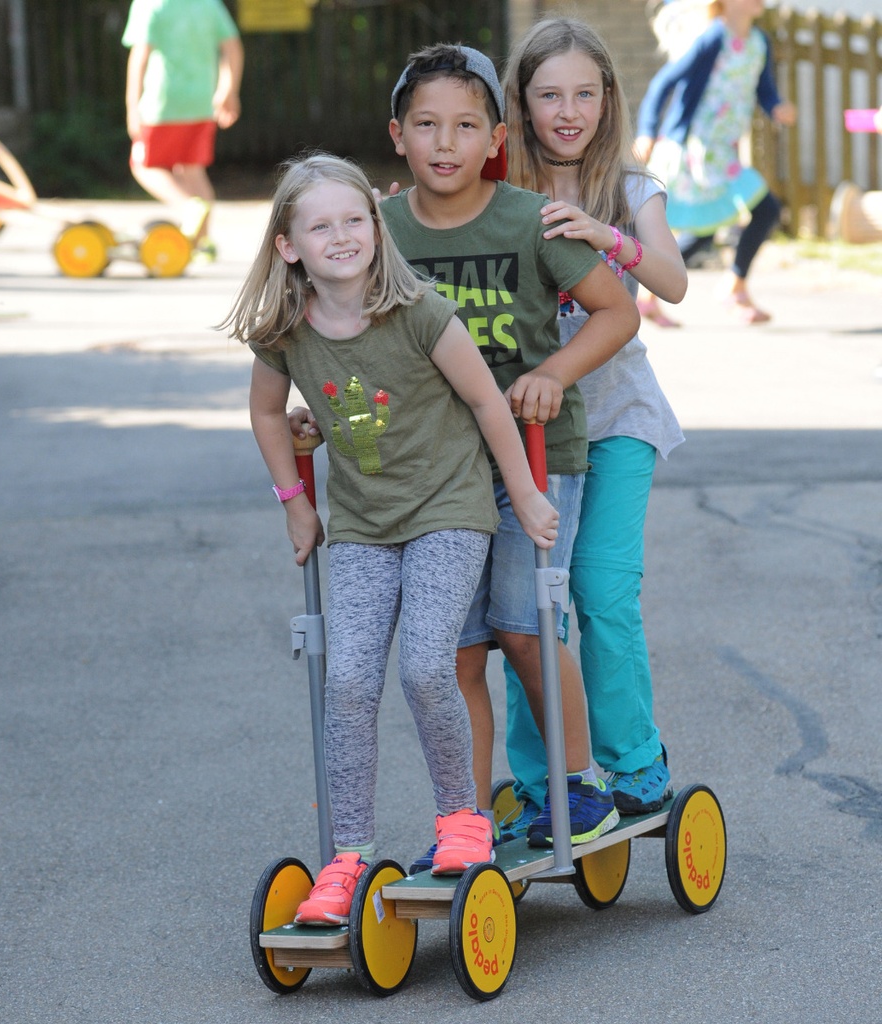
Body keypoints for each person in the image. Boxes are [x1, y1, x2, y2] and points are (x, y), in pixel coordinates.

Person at [221, 153, 559, 924]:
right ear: (288, 245)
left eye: (353, 219)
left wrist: (528, 495)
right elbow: (269, 414)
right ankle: (347, 857)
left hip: (448, 508)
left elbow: (486, 401)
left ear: (376, 226)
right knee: (346, 682)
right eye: (319, 225)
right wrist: (294, 504)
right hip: (365, 525)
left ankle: (461, 821)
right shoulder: (283, 330)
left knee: (426, 665)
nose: (340, 236)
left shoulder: (420, 312)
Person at [381, 43, 640, 854]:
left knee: (526, 626)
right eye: (427, 125)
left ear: (497, 137)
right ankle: (465, 819)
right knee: (455, 652)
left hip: (530, 456)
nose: (446, 144)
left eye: (465, 126)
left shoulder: (528, 218)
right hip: (436, 471)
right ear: (399, 136)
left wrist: (555, 373)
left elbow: (617, 313)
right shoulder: (380, 229)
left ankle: (578, 784)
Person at [498, 16, 687, 823]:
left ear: (608, 100)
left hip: (616, 421)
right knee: (526, 603)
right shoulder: (501, 195)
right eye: (549, 95)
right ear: (524, 102)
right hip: (528, 430)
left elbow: (673, 284)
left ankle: (636, 761)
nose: (567, 110)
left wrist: (607, 236)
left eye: (584, 93)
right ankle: (547, 782)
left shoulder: (633, 192)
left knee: (602, 591)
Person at [633, 0, 796, 327]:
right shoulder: (712, 38)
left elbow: (764, 89)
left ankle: (647, 295)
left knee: (706, 229)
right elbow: (662, 84)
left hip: (724, 151)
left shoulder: (759, 42)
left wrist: (777, 106)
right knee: (764, 209)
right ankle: (733, 286)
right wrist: (647, 132)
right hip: (697, 149)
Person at [122, 0, 244, 259]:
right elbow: (232, 46)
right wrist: (228, 90)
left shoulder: (150, 4)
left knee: (143, 166)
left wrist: (132, 106)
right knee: (192, 170)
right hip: (201, 102)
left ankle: (188, 208)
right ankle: (203, 244)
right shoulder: (208, 4)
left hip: (163, 103)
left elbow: (139, 57)